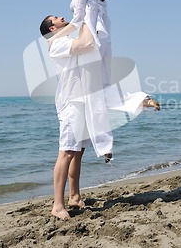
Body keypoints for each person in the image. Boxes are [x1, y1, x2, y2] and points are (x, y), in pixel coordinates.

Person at [40, 15, 159, 220]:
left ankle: (74, 197)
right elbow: (86, 41)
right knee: (67, 152)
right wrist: (86, 15)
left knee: (78, 152)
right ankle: (57, 206)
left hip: (83, 101)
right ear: (52, 28)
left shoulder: (65, 40)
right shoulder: (57, 43)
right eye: (56, 18)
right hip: (71, 104)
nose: (61, 17)